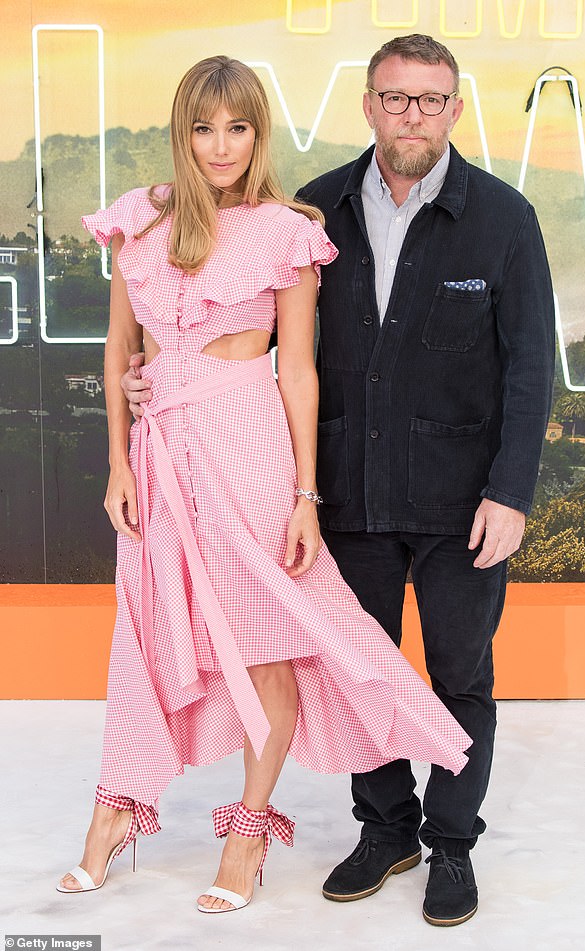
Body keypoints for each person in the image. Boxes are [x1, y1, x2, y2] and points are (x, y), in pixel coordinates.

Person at [124, 35, 555, 926]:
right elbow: (256, 341)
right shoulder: (313, 213)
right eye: (395, 98)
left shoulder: (505, 220)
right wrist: (154, 377)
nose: (412, 115)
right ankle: (386, 827)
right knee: (352, 665)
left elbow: (528, 370)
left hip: (461, 501)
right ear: (368, 105)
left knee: (459, 673)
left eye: (430, 100)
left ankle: (451, 843)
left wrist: (510, 493)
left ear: (455, 108)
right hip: (342, 497)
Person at [57, 54, 472, 915]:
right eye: (204, 127)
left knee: (266, 641)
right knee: (140, 637)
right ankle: (111, 819)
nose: (220, 145)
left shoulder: (287, 229)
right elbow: (117, 354)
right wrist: (118, 461)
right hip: (161, 457)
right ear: (183, 130)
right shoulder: (139, 220)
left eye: (237, 127)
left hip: (248, 452)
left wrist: (306, 497)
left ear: (258, 133)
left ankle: (248, 831)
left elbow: (299, 375)